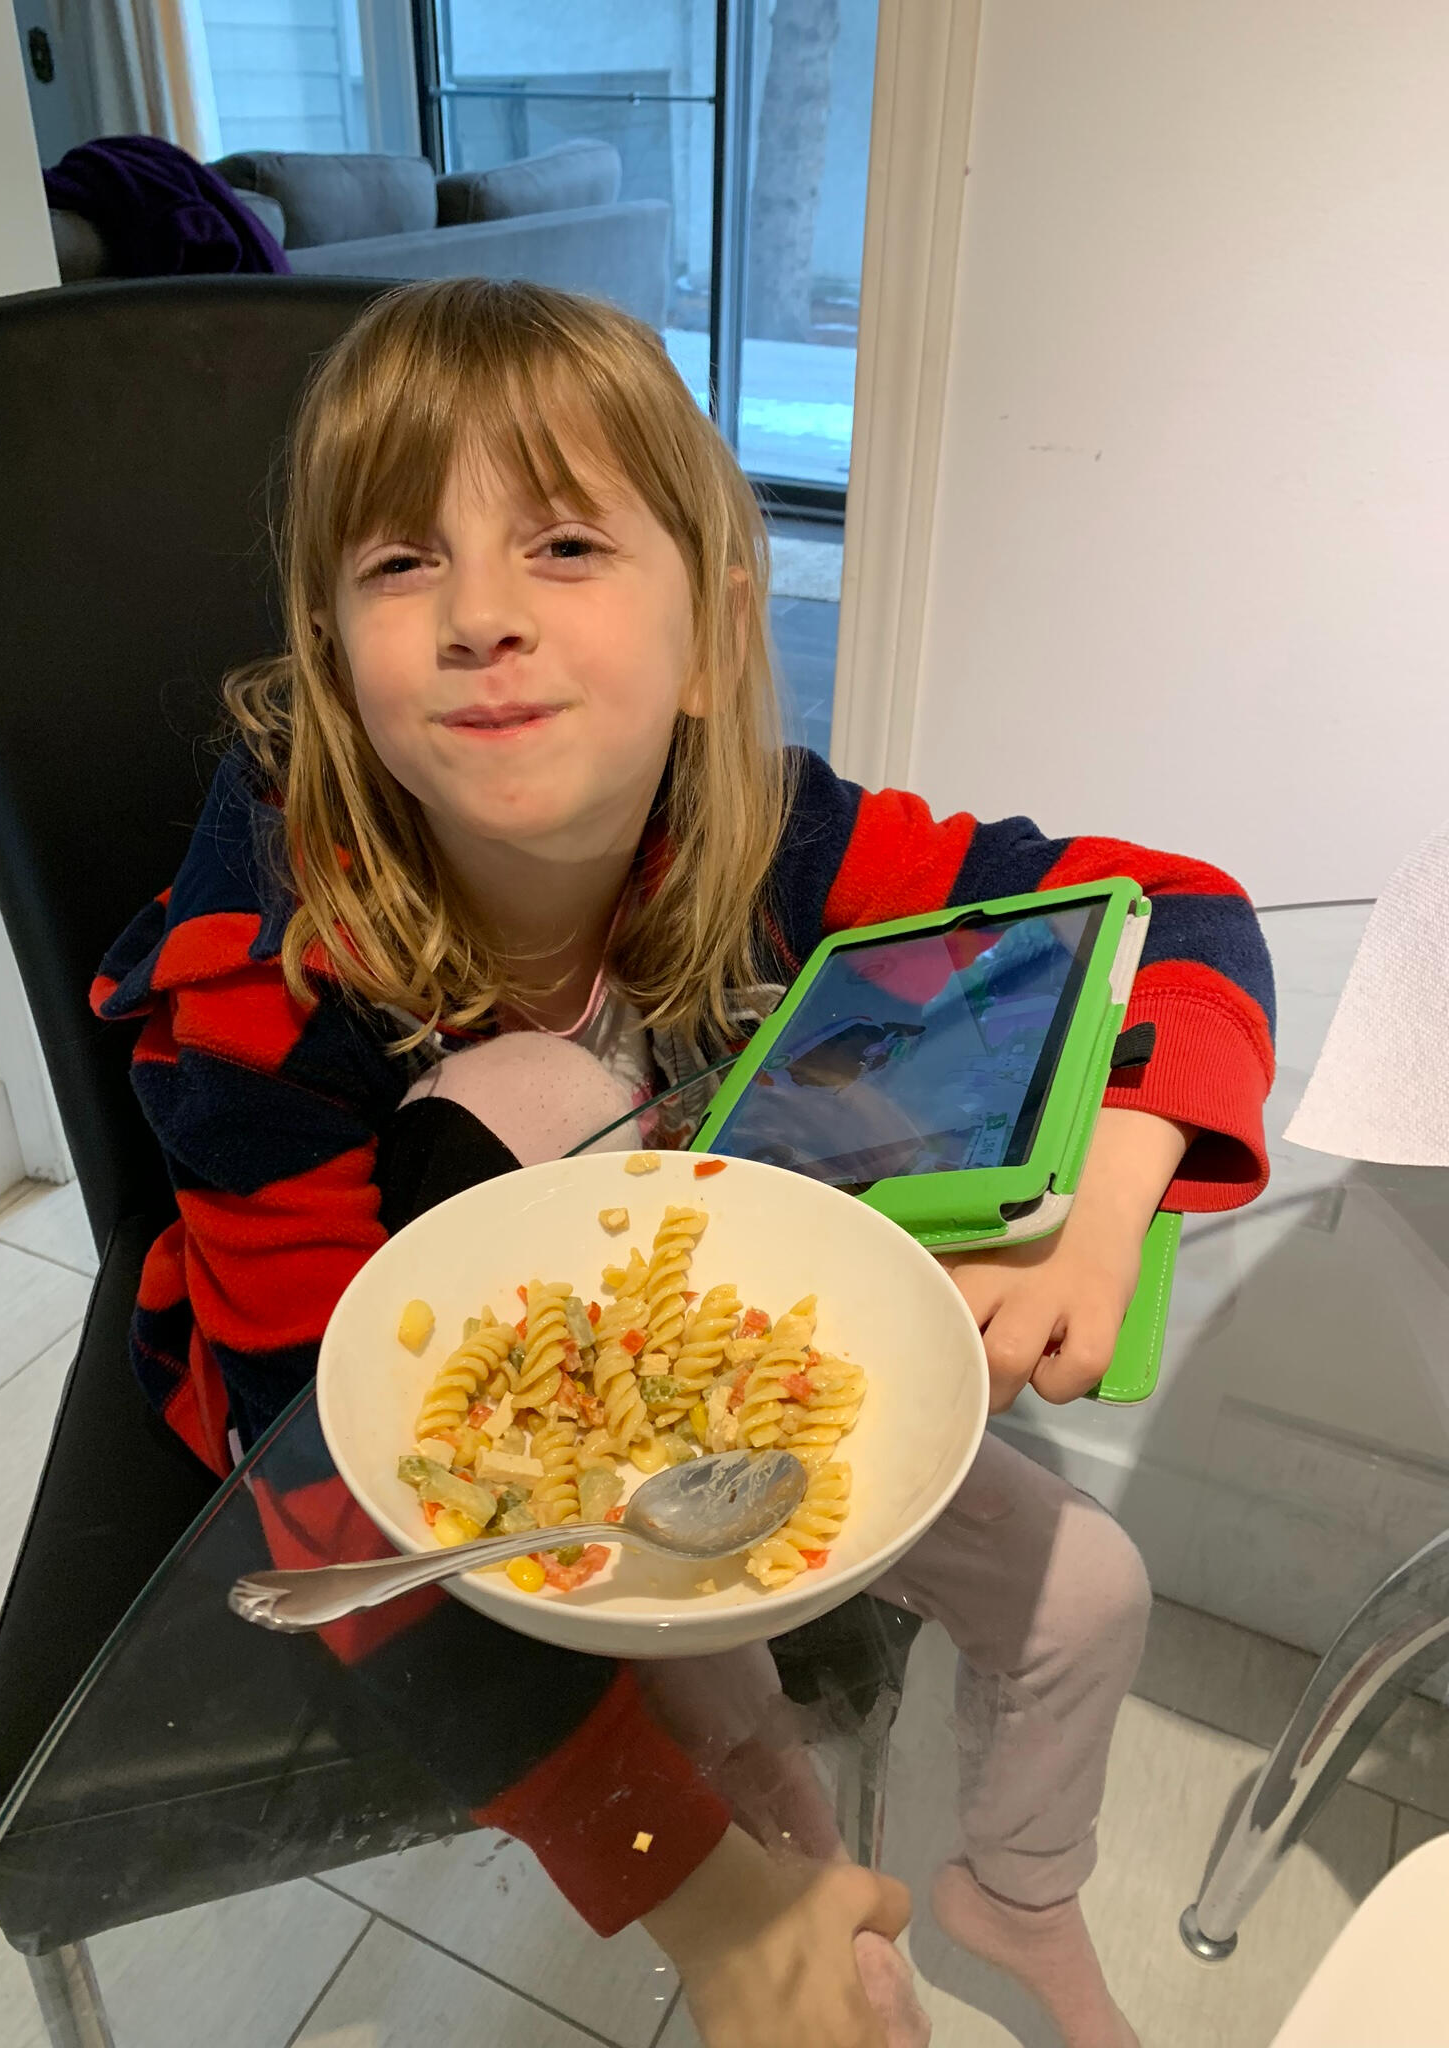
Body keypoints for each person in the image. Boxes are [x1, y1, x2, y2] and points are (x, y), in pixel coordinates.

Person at [92, 278, 1275, 2048]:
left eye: (565, 543)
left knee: (1090, 1588)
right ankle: (813, 1900)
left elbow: (1185, 914)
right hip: (416, 1427)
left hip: (709, 1359)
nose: (482, 617)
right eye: (404, 563)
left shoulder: (774, 833)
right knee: (738, 1736)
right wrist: (703, 1892)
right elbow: (323, 1495)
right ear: (333, 652)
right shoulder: (259, 1000)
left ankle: (1015, 1895)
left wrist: (1111, 1182)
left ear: (715, 631)